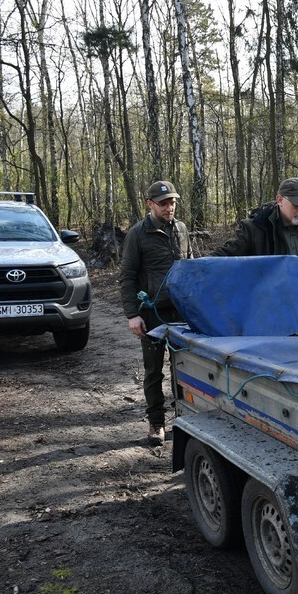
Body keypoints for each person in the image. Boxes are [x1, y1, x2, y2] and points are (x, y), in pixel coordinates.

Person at [120, 180, 192, 447]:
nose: (169, 207)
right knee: (153, 371)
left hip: (181, 313)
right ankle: (157, 423)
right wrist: (132, 315)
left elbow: (190, 267)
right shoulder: (137, 234)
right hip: (151, 314)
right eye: (163, 203)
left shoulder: (181, 229)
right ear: (150, 204)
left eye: (172, 202)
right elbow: (127, 277)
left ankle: (184, 420)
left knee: (184, 369)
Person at [208, 177, 298, 273]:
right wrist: (199, 266)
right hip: (271, 297)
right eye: (297, 205)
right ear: (280, 200)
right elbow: (227, 254)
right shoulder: (257, 227)